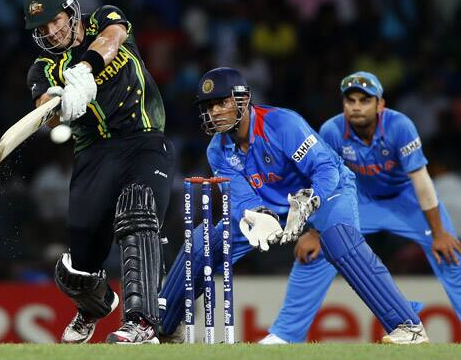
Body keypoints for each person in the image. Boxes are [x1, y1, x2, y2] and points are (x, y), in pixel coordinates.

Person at [159, 67, 428, 344]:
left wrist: (310, 200)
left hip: (327, 191)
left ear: (242, 100)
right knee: (207, 241)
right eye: (208, 106)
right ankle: (163, 326)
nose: (214, 111)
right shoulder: (217, 149)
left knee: (339, 241)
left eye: (221, 102)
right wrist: (256, 216)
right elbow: (240, 198)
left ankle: (408, 326)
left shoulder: (282, 124)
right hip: (271, 203)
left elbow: (324, 167)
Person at [23, 0, 175, 344]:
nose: (52, 31)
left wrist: (85, 70)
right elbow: (44, 110)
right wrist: (59, 103)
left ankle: (141, 322)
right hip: (93, 153)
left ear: (72, 10)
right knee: (78, 265)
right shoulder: (43, 67)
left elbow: (112, 38)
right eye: (42, 29)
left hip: (143, 138)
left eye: (55, 20)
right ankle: (95, 304)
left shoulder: (104, 17)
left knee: (139, 211)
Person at [262, 71, 461, 344]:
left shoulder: (400, 126)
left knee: (450, 252)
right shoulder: (332, 130)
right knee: (315, 252)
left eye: (365, 100)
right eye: (351, 100)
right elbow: (324, 182)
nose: (356, 106)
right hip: (360, 199)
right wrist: (317, 231)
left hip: (406, 200)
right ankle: (285, 335)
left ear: (380, 105)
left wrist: (438, 232)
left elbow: (422, 181)